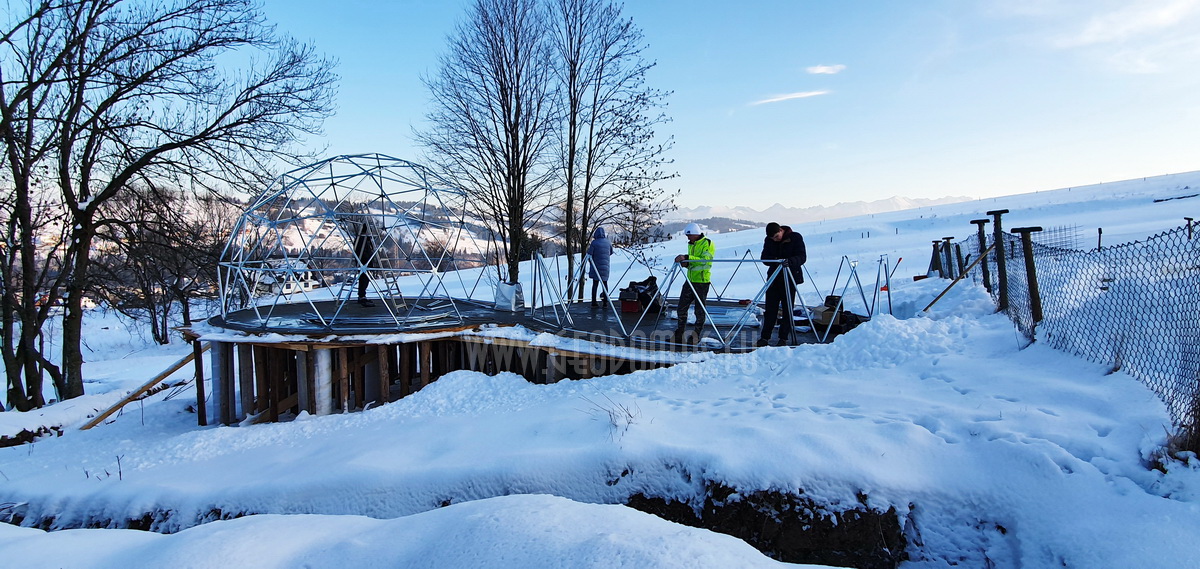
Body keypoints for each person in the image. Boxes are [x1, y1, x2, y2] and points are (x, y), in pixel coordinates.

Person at [758, 222, 806, 347]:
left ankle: (783, 338)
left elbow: (802, 257)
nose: (775, 240)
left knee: (787, 309)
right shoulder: (769, 240)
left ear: (781, 230)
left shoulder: (795, 237)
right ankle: (765, 337)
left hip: (790, 277)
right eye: (772, 238)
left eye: (776, 236)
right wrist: (775, 260)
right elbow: (764, 257)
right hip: (774, 278)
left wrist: (790, 261)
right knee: (770, 309)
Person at [673, 222, 715, 344]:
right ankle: (679, 334)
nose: (688, 238)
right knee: (681, 308)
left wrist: (687, 258)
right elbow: (694, 262)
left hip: (701, 282)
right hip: (690, 280)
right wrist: (687, 264)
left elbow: (705, 261)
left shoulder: (707, 243)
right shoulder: (691, 244)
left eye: (689, 235)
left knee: (699, 310)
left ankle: (696, 335)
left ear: (696, 234)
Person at [586, 226, 613, 307]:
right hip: (605, 267)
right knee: (605, 283)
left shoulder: (594, 243)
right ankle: (605, 302)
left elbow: (589, 254)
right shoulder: (608, 242)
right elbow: (611, 252)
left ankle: (594, 301)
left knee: (595, 284)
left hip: (596, 267)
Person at [353, 219, 377, 307]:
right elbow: (362, 252)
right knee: (364, 279)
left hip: (364, 263)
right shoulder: (362, 240)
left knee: (364, 279)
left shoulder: (362, 239)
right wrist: (368, 261)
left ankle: (362, 296)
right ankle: (362, 296)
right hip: (364, 263)